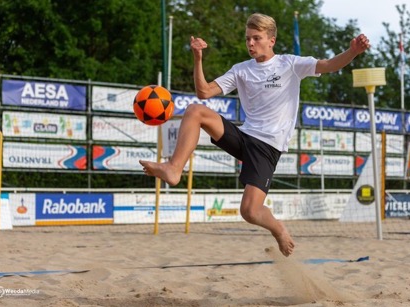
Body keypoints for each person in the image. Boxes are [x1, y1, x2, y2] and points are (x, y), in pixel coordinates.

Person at [140, 13, 370, 257]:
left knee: (249, 211)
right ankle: (174, 169)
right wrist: (198, 58)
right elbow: (204, 92)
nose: (250, 43)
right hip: (244, 136)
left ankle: (278, 228)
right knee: (196, 110)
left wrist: (352, 52)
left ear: (271, 40)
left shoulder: (290, 64)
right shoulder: (241, 70)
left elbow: (328, 65)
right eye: (248, 38)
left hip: (267, 147)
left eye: (256, 38)